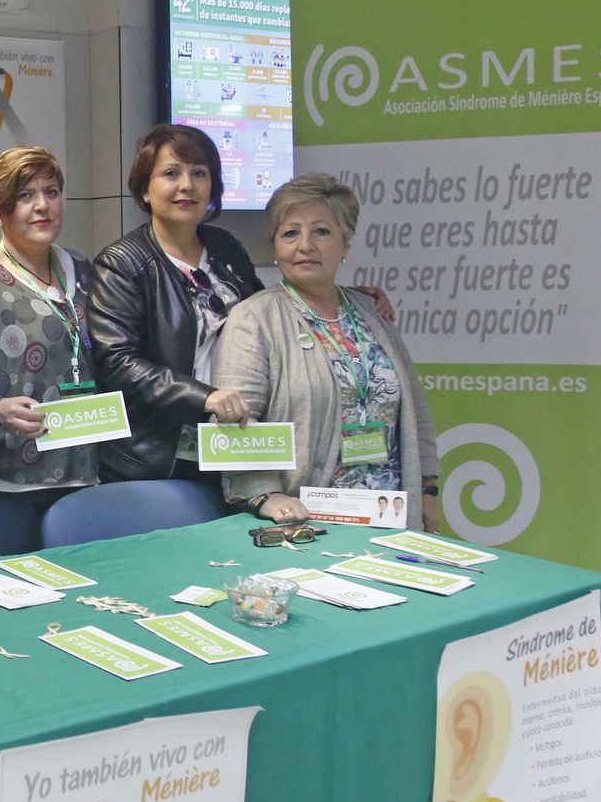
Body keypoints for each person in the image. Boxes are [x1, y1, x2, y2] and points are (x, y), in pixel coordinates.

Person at [213, 172, 440, 530]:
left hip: (391, 514)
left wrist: (428, 489)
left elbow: (415, 409)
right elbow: (237, 422)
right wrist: (264, 495)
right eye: (290, 233)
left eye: (322, 231)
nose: (305, 245)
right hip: (306, 519)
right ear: (275, 248)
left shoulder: (373, 313)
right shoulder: (253, 319)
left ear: (345, 244)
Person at [88, 124, 261, 484]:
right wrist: (205, 398)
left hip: (234, 440)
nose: (187, 185)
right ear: (145, 190)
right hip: (160, 457)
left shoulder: (225, 247)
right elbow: (118, 362)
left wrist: (346, 298)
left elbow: (266, 315)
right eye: (171, 173)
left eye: (199, 173)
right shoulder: (122, 263)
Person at [0, 146, 95, 554]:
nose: (42, 206)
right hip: (4, 484)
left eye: (51, 191)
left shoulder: (83, 270)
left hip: (83, 475)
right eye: (25, 196)